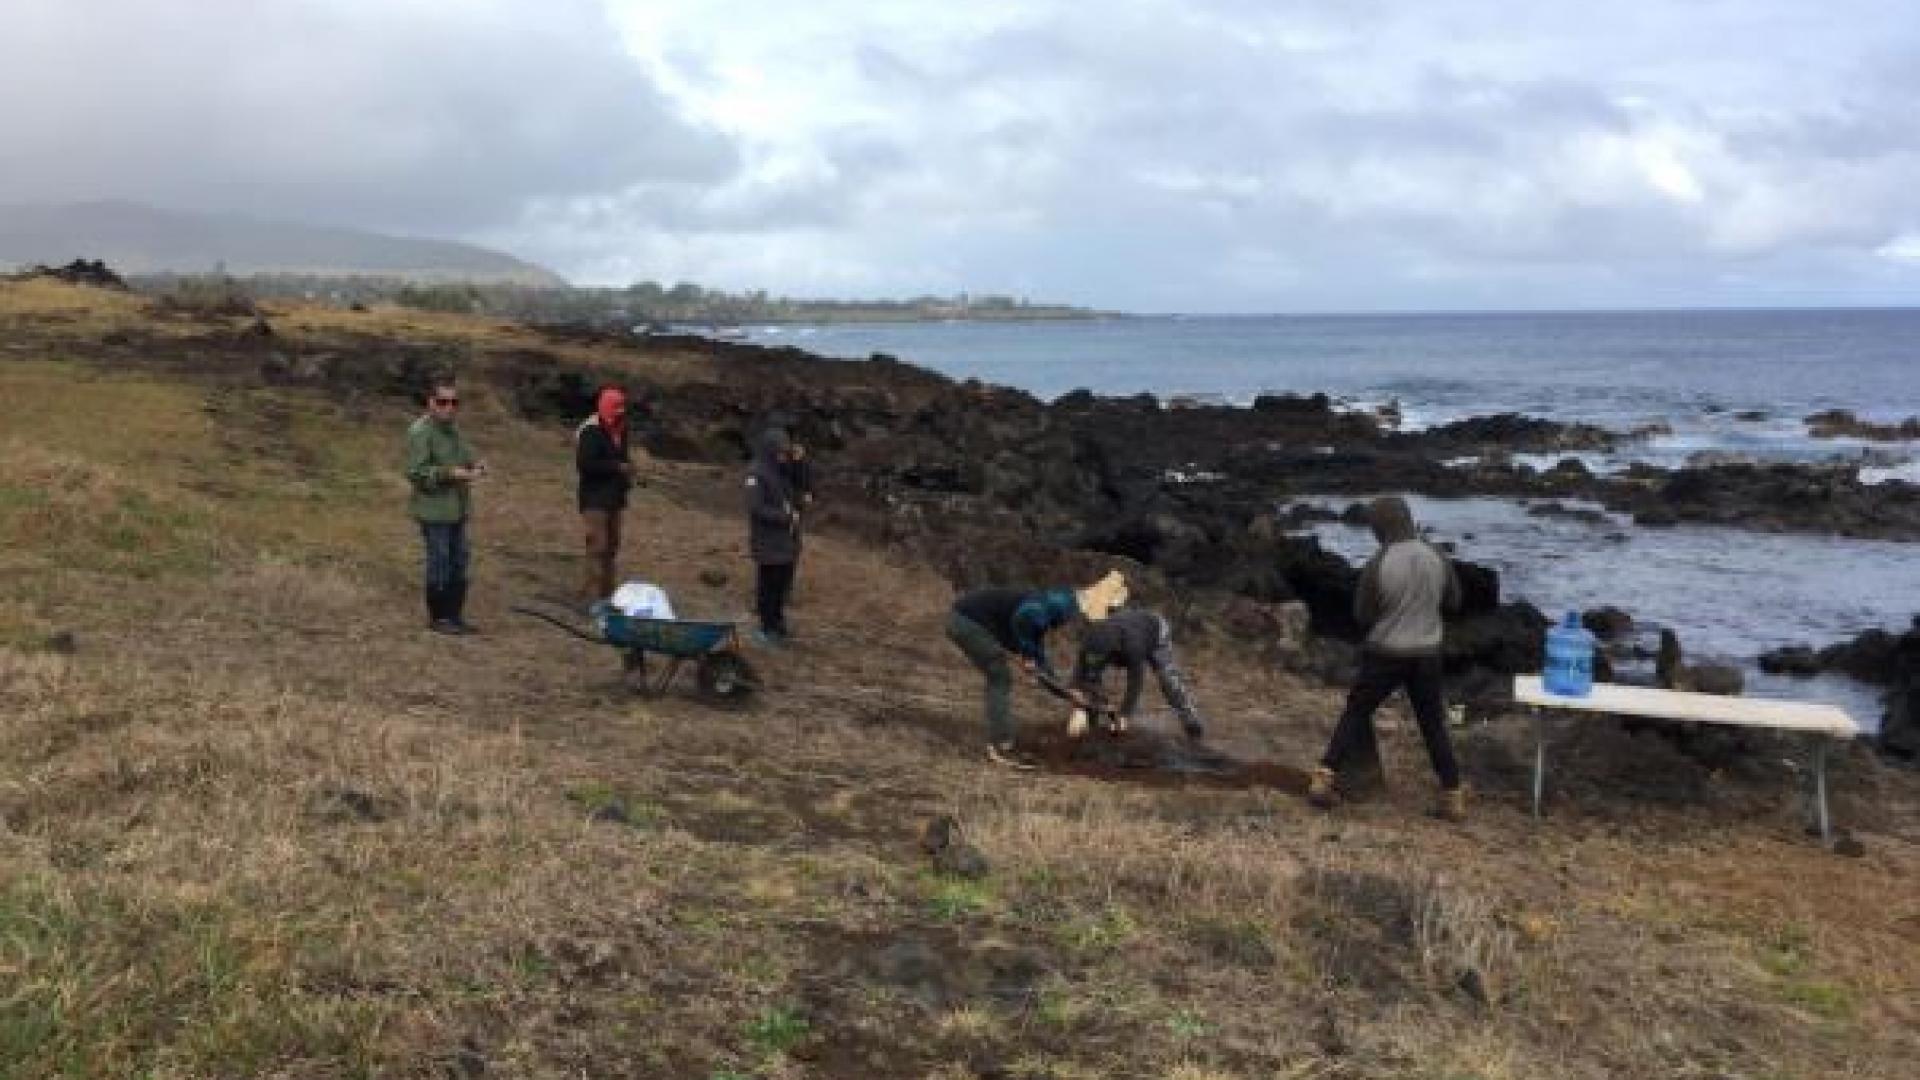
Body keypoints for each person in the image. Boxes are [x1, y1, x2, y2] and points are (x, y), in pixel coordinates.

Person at [1307, 496, 1467, 820]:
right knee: (1432, 723)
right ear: (1408, 520)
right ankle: (1453, 796)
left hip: (1385, 652)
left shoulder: (1379, 562)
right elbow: (1454, 602)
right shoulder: (1436, 556)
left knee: (1357, 711)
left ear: (1381, 528)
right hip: (1427, 654)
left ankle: (1324, 779)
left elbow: (1362, 614)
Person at [946, 571, 1129, 769]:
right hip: (967, 621)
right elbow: (1023, 618)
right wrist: (1027, 653)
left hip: (980, 622)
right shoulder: (1062, 605)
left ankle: (1002, 741)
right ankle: (1001, 746)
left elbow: (1036, 650)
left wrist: (1065, 693)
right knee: (1000, 678)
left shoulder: (1064, 601)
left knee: (1009, 672)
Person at [404, 380, 483, 635]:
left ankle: (454, 615)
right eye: (443, 402)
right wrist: (449, 474)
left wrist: (476, 466)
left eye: (454, 403)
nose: (449, 408)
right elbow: (415, 472)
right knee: (440, 561)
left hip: (457, 508)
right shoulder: (420, 432)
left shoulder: (454, 430)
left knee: (460, 559)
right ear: (430, 403)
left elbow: (466, 457)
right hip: (433, 509)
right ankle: (439, 618)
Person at [1068, 608, 1208, 740]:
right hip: (1127, 629)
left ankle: (1190, 720)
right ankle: (1092, 724)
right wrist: (1075, 692)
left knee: (1167, 680)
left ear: (1114, 649)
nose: (1097, 661)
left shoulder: (1132, 645)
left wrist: (1124, 715)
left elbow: (1135, 681)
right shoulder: (1090, 641)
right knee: (1092, 678)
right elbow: (1081, 668)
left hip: (1155, 632)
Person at [576, 385, 636, 607]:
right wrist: (616, 467)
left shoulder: (621, 429)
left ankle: (607, 596)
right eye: (616, 407)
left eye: (622, 407)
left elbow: (623, 457)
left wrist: (627, 473)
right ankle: (590, 597)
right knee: (597, 546)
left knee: (612, 546)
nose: (620, 412)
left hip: (615, 497)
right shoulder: (590, 431)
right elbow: (585, 464)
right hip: (594, 498)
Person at [745, 427, 802, 645]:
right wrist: (785, 517)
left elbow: (802, 482)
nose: (783, 456)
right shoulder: (756, 473)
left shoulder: (782, 470)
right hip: (768, 541)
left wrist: (799, 462)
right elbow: (756, 508)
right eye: (780, 452)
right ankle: (766, 627)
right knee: (768, 585)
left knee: (781, 585)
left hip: (785, 541)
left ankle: (777, 623)